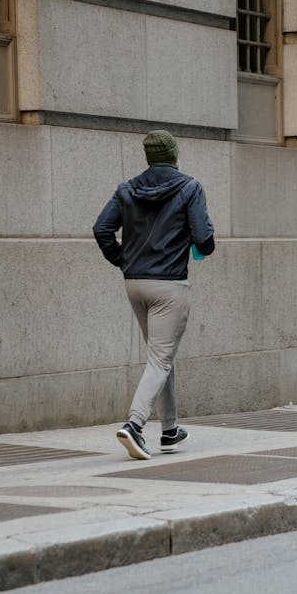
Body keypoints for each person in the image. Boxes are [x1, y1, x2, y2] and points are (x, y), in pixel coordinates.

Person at [93, 130, 215, 460]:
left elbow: (101, 229)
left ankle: (170, 430)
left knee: (161, 356)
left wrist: (123, 259)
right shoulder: (190, 187)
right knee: (160, 358)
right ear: (174, 155)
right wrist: (200, 244)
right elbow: (204, 239)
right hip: (170, 285)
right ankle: (134, 426)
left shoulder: (127, 188)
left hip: (135, 282)